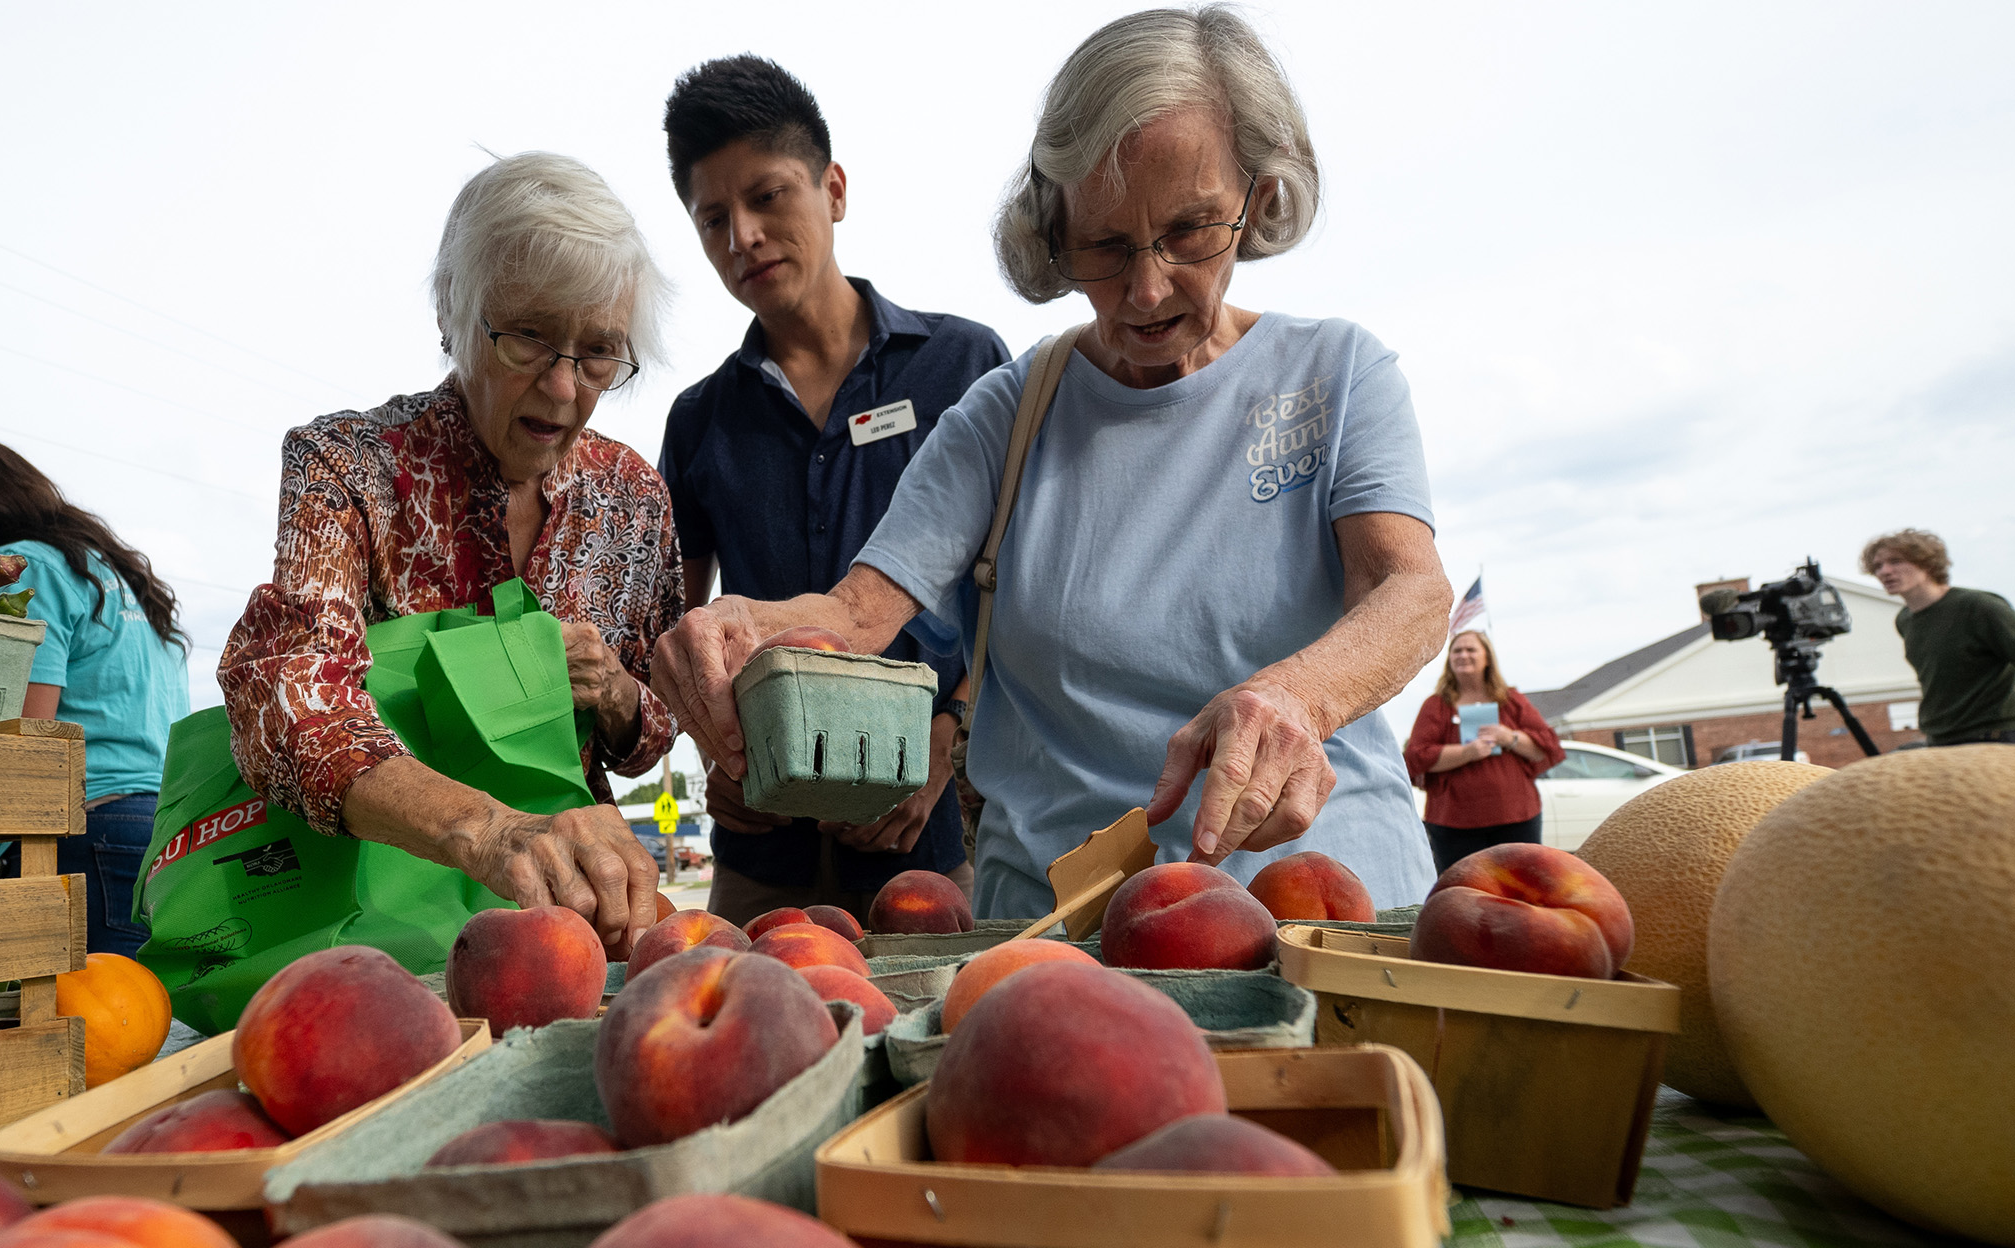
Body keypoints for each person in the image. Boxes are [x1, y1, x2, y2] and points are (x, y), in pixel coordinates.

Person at [653, 8, 1452, 917]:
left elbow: (1411, 591)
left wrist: (1300, 696)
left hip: (1323, 905)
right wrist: (741, 627)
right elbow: (855, 613)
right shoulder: (1006, 414)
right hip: (1062, 933)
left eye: (1190, 231)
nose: (1146, 289)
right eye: (1104, 246)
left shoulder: (1337, 375)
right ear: (1051, 227)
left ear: (1257, 199)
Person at [221, 153, 675, 955]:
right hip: (381, 931)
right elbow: (290, 705)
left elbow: (648, 741)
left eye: (599, 352)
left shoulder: (634, 500)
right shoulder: (350, 467)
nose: (566, 387)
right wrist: (490, 832)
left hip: (577, 925)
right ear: (453, 317)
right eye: (529, 337)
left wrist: (613, 691)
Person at [656, 55, 1010, 926]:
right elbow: (670, 627)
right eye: (713, 218)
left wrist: (946, 740)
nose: (742, 236)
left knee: (937, 1038)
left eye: (768, 196)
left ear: (835, 189)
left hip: (921, 844)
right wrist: (715, 748)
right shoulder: (699, 420)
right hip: (759, 846)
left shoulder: (964, 367)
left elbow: (1016, 588)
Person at [0, 430, 190, 953]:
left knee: (71, 1028)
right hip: (164, 834)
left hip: (83, 835)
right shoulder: (106, 569)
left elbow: (28, 741)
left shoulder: (22, 569)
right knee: (138, 1023)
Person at [1402, 630, 1562, 869]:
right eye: (1457, 651)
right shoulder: (1436, 706)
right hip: (1454, 823)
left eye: (1471, 649)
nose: (1463, 655)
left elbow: (1544, 748)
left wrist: (1510, 737)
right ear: (1449, 660)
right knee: (1462, 893)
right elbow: (1417, 757)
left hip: (1517, 817)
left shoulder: (1511, 700)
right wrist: (1467, 753)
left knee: (1522, 888)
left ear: (1487, 658)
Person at [1864, 529, 2015, 746]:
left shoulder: (1979, 607)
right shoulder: (1905, 620)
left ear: (1927, 563)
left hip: (1994, 735)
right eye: (1877, 566)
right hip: (1941, 737)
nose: (1884, 571)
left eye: (1896, 561)